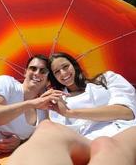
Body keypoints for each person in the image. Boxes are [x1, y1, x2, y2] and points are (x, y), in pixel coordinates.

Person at [7, 52, 136, 165]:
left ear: (74, 65)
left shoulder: (106, 79)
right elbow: (58, 135)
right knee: (47, 126)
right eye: (57, 72)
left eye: (65, 66)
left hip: (123, 131)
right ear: (53, 77)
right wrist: (46, 108)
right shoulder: (58, 100)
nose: (63, 73)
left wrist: (71, 112)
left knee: (103, 144)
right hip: (86, 141)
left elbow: (126, 112)